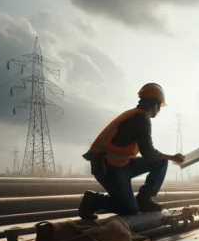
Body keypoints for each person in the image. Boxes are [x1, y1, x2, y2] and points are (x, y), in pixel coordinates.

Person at [78, 83, 185, 219]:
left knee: (161, 162)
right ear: (154, 104)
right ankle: (94, 200)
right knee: (130, 209)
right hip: (109, 169)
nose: (159, 110)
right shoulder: (141, 118)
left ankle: (144, 199)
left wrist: (168, 158)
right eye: (159, 106)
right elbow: (148, 153)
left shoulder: (136, 115)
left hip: (121, 164)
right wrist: (172, 157)